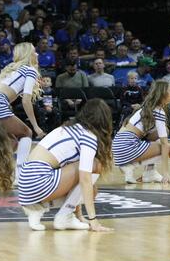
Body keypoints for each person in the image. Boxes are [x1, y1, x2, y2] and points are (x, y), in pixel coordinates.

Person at [18, 99, 114, 232]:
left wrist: (79, 216)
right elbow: (85, 179)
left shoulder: (70, 128)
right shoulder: (88, 136)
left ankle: (37, 208)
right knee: (95, 166)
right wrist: (94, 221)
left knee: (93, 190)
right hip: (40, 181)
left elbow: (77, 182)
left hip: (26, 186)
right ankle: (64, 216)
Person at [0, 42, 45, 181]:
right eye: (34, 52)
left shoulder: (10, 70)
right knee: (26, 132)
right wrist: (36, 127)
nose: (37, 54)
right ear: (28, 55)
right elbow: (26, 100)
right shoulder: (30, 70)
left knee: (12, 142)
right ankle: (20, 174)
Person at [112, 81, 170, 184]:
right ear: (162, 93)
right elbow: (164, 144)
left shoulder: (146, 107)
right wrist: (166, 173)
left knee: (161, 133)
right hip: (127, 145)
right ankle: (132, 167)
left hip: (117, 147)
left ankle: (149, 171)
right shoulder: (158, 111)